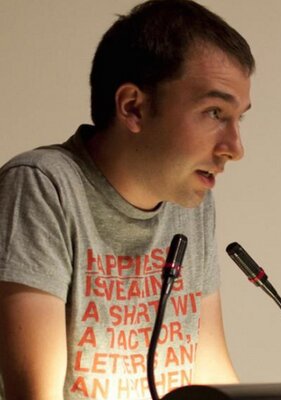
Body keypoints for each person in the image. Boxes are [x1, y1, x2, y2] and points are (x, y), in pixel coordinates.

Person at [0, 0, 254, 399]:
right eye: (214, 113)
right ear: (133, 107)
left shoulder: (191, 203)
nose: (235, 148)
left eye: (239, 118)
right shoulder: (43, 186)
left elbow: (210, 375)